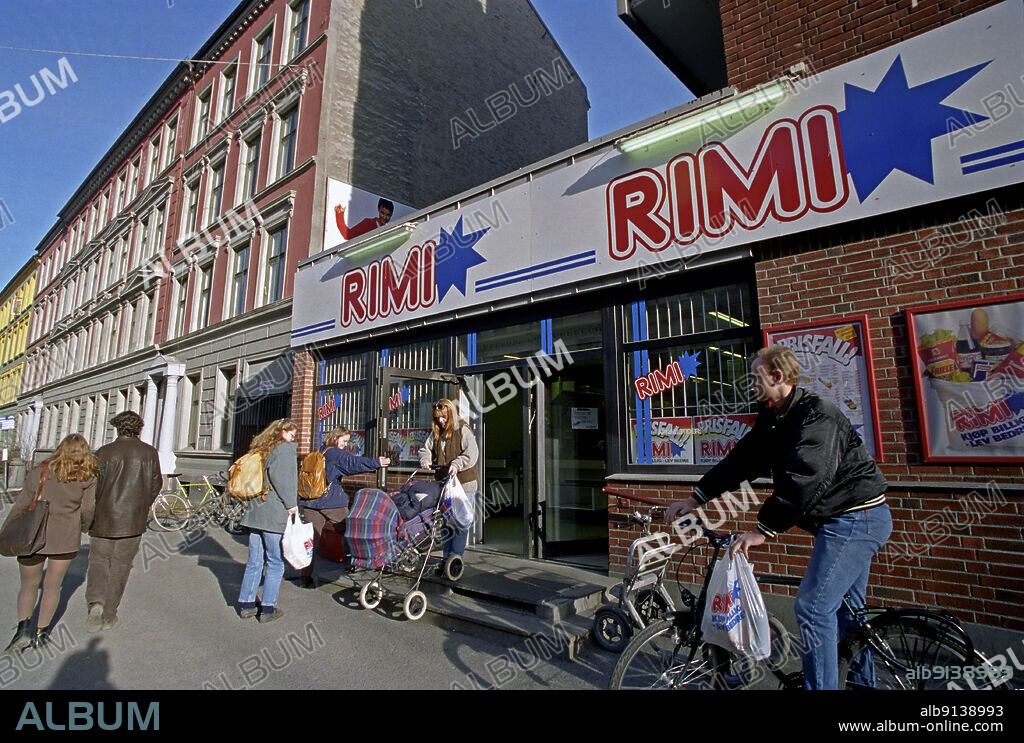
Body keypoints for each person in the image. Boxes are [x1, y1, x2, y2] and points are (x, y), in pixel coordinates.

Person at [664, 346, 891, 690]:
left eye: (756, 377)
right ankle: (863, 684)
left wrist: (763, 530)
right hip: (844, 520)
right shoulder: (775, 417)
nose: (751, 384)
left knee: (813, 609)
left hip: (857, 518)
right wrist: (697, 497)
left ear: (778, 376)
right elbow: (742, 460)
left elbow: (807, 475)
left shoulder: (817, 415)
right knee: (848, 614)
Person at [4, 435, 97, 653]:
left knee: (28, 585)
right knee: (53, 586)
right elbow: (87, 509)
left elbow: (22, 504)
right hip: (64, 537)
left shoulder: (39, 472)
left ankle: (22, 631)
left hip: (32, 534)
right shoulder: (86, 477)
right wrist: (83, 526)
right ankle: (41, 634)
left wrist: (7, 531)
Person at [86, 411, 163, 634]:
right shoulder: (149, 453)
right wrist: (141, 505)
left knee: (99, 561)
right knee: (120, 565)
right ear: (138, 429)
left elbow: (94, 485)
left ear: (117, 429)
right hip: (132, 519)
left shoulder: (104, 453)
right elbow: (155, 485)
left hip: (104, 516)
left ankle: (96, 602)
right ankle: (109, 614)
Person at [297, 426, 390, 586]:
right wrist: (377, 463)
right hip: (330, 502)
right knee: (351, 529)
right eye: (344, 440)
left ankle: (305, 576)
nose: (345, 445)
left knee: (310, 541)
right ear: (336, 437)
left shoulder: (319, 451)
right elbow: (353, 463)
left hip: (310, 501)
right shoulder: (334, 453)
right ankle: (352, 561)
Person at [237, 418, 299, 623]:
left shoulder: (262, 449)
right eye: (291, 433)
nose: (293, 437)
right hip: (274, 512)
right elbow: (285, 481)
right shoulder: (285, 450)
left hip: (256, 512)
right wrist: (292, 504)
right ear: (282, 433)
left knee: (255, 560)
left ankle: (246, 605)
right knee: (275, 562)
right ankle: (267, 608)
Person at [418, 399, 478, 572]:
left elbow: (472, 453)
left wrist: (457, 464)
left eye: (443, 418)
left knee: (460, 523)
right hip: (445, 484)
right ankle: (446, 560)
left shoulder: (463, 429)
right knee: (445, 523)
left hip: (464, 485)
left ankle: (455, 559)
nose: (440, 421)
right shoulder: (437, 432)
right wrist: (426, 459)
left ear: (451, 415)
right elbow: (426, 448)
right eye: (437, 418)